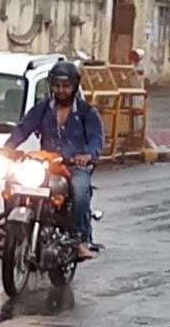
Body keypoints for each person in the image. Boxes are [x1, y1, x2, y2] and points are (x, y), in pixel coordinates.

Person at [6, 60, 104, 260]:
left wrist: (88, 155)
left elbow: (96, 139)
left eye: (66, 86)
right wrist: (8, 148)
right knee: (13, 181)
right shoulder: (42, 109)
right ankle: (10, 229)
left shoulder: (87, 112)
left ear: (74, 87)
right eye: (57, 86)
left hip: (74, 167)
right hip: (47, 166)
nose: (61, 90)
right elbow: (24, 128)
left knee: (80, 191)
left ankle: (81, 240)